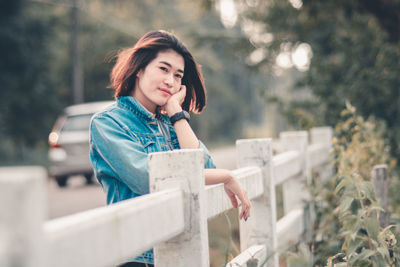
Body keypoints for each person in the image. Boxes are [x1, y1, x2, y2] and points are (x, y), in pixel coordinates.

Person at [89, 30, 251, 267]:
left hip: (180, 251)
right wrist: (226, 176)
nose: (170, 81)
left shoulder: (172, 124)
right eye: (163, 69)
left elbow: (205, 168)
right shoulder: (107, 123)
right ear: (139, 68)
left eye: (178, 76)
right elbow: (149, 180)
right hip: (137, 257)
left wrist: (177, 114)